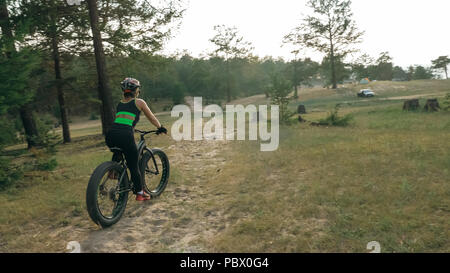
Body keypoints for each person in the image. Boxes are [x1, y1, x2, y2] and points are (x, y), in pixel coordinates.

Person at [105, 77, 167, 201]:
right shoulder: (139, 102)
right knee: (134, 166)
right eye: (138, 89)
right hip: (125, 135)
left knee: (119, 151)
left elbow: (123, 120)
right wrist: (160, 127)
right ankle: (140, 193)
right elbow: (151, 117)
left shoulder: (120, 103)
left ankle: (112, 171)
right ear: (135, 90)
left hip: (111, 135)